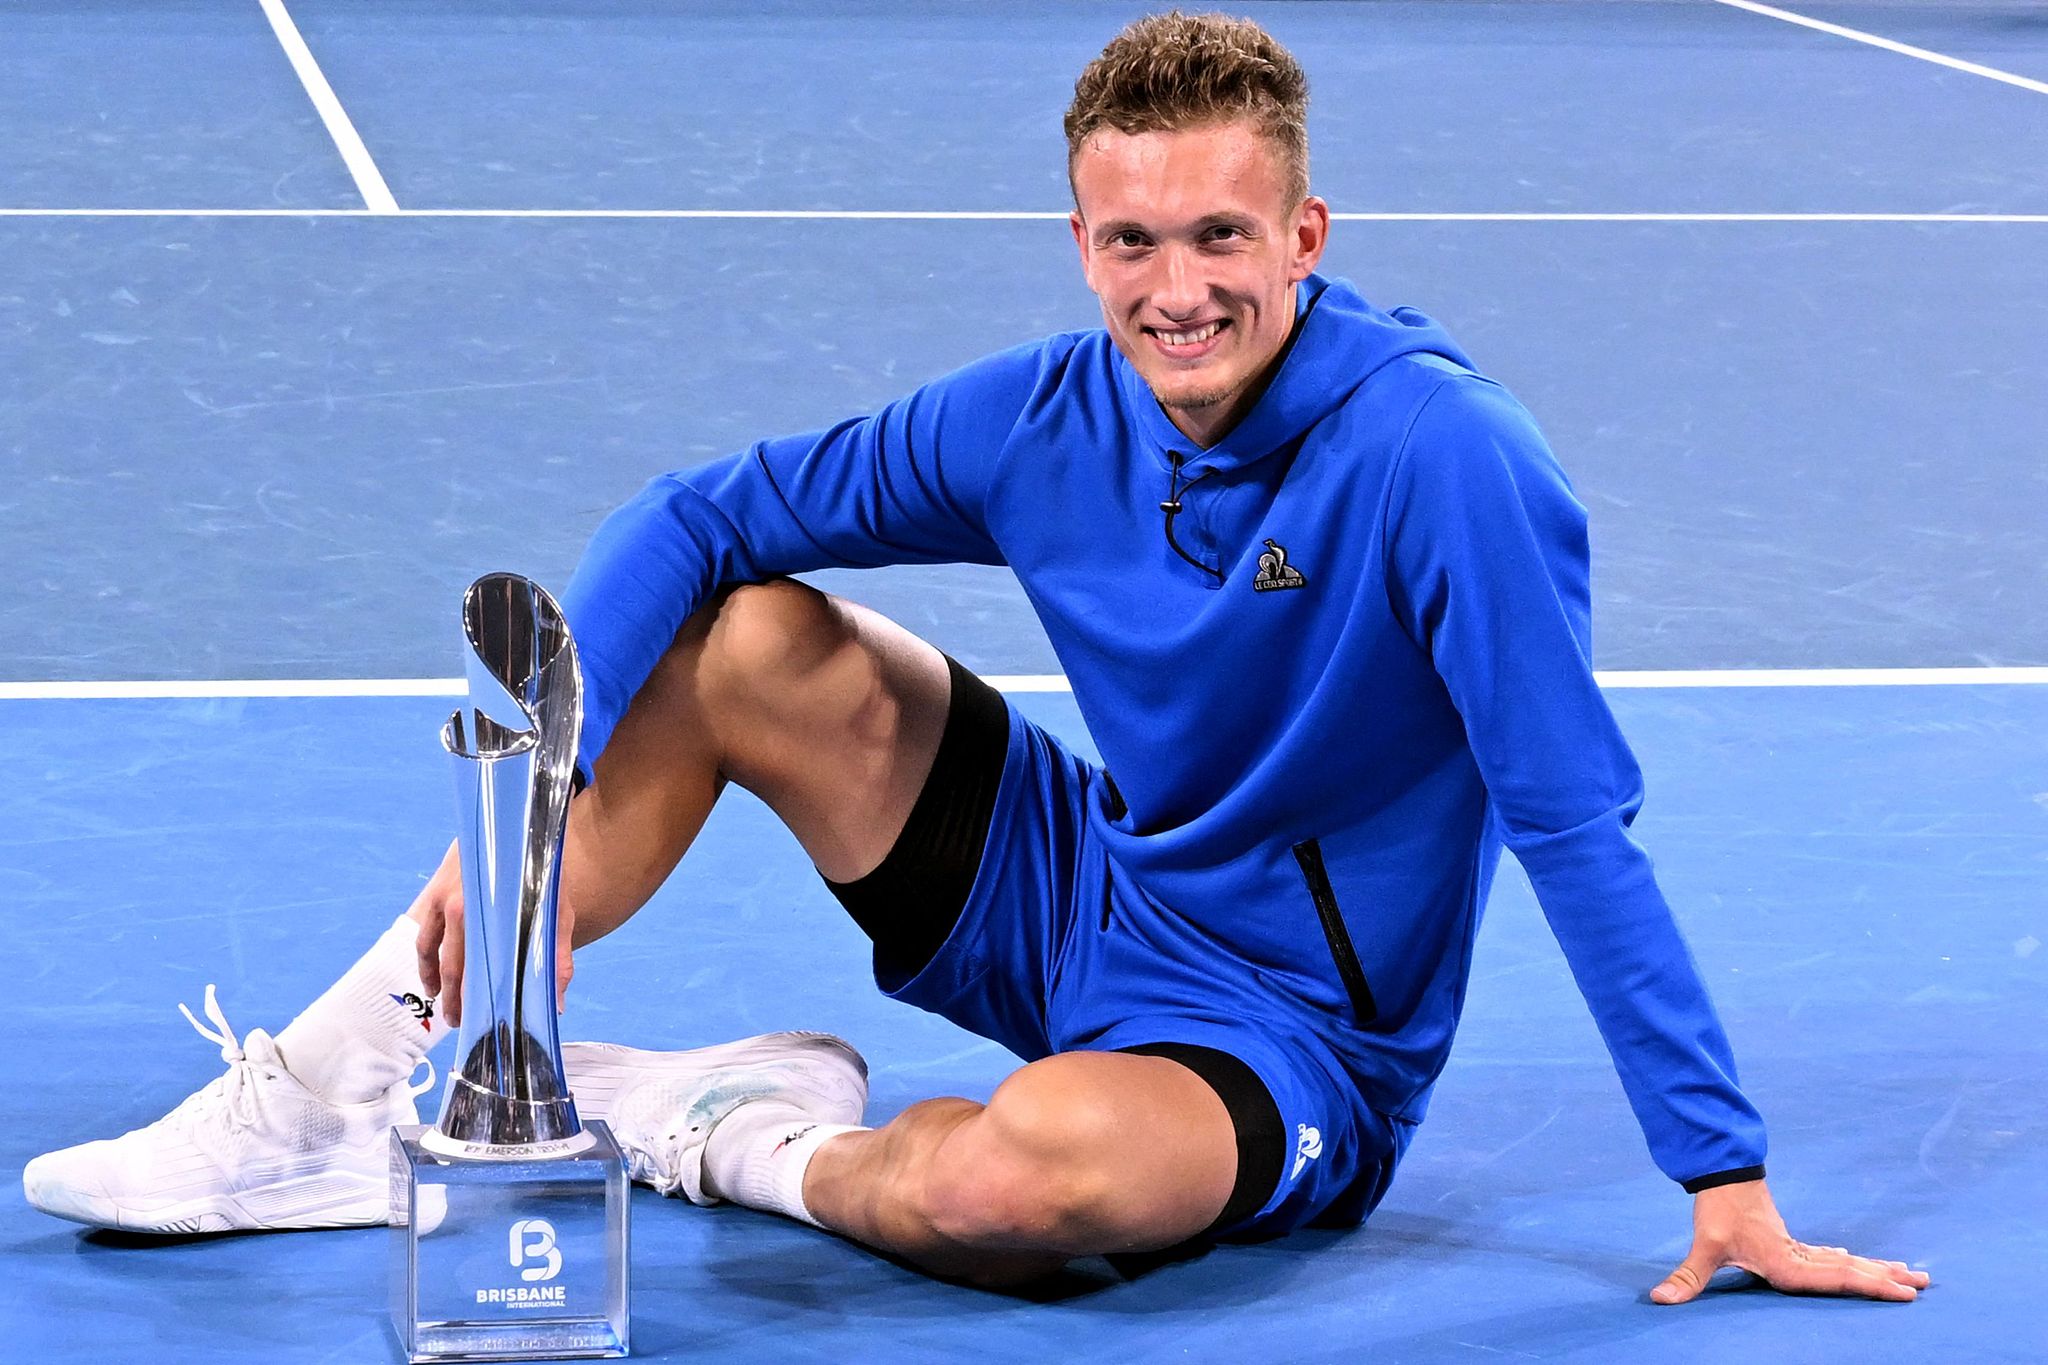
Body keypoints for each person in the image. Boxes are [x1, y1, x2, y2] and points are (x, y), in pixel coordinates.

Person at [26, 12, 1926, 1305]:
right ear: (1079, 241)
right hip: (1086, 883)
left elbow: (1574, 819)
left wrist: (1721, 1169)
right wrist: (527, 803)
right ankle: (364, 1074)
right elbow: (697, 511)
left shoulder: (1444, 461)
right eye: (1130, 241)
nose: (1176, 288)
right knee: (750, 634)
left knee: (1008, 1187)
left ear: (1307, 232)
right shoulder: (1046, 415)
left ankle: (708, 1124)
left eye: (1221, 236)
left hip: (1280, 1034)